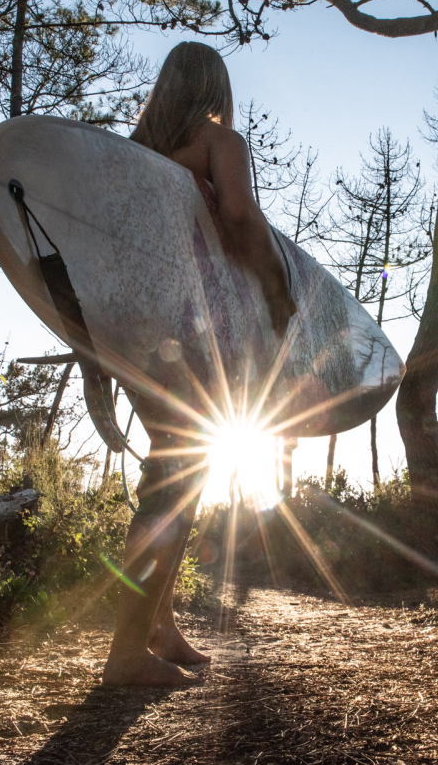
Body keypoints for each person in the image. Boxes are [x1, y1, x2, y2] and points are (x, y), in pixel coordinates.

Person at [102, 42, 296, 687]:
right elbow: (240, 219)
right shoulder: (220, 140)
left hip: (132, 328)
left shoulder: (130, 155)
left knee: (178, 469)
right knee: (173, 481)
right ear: (215, 86)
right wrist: (276, 287)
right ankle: (125, 653)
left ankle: (158, 626)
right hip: (190, 330)